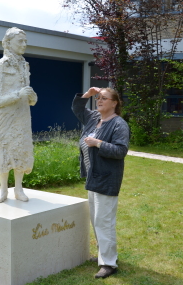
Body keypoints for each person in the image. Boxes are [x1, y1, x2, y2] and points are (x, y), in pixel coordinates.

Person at [72, 86, 130, 279]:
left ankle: (108, 264)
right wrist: (86, 95)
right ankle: (102, 256)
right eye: (98, 98)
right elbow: (78, 109)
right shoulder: (94, 118)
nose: (99, 100)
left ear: (114, 103)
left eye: (104, 98)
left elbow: (121, 151)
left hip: (107, 178)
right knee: (96, 220)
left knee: (104, 222)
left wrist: (98, 144)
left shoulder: (118, 124)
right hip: (93, 176)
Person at [0, 27, 37, 203]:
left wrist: (32, 97)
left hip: (23, 115)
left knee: (21, 149)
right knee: (3, 149)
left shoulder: (25, 65)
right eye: (20, 41)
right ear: (8, 42)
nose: (24, 45)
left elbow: (28, 96)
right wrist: (18, 95)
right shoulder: (1, 65)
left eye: (25, 42)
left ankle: (18, 189)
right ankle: (3, 190)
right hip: (6, 116)